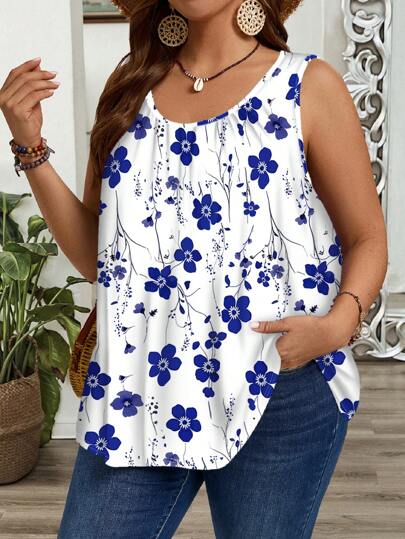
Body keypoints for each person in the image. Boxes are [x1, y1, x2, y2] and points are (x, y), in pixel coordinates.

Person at [0, 1, 387, 537]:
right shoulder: (128, 88)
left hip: (278, 385)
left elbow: (367, 237)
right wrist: (31, 147)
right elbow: (98, 258)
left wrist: (336, 327)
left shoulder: (307, 85)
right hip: (142, 392)